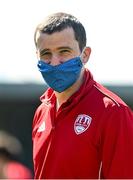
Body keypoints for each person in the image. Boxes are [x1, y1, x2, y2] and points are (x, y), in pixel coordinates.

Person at [32, 12, 133, 179]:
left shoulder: (114, 112)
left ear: (85, 55)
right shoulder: (41, 112)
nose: (55, 62)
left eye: (64, 51)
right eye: (46, 54)